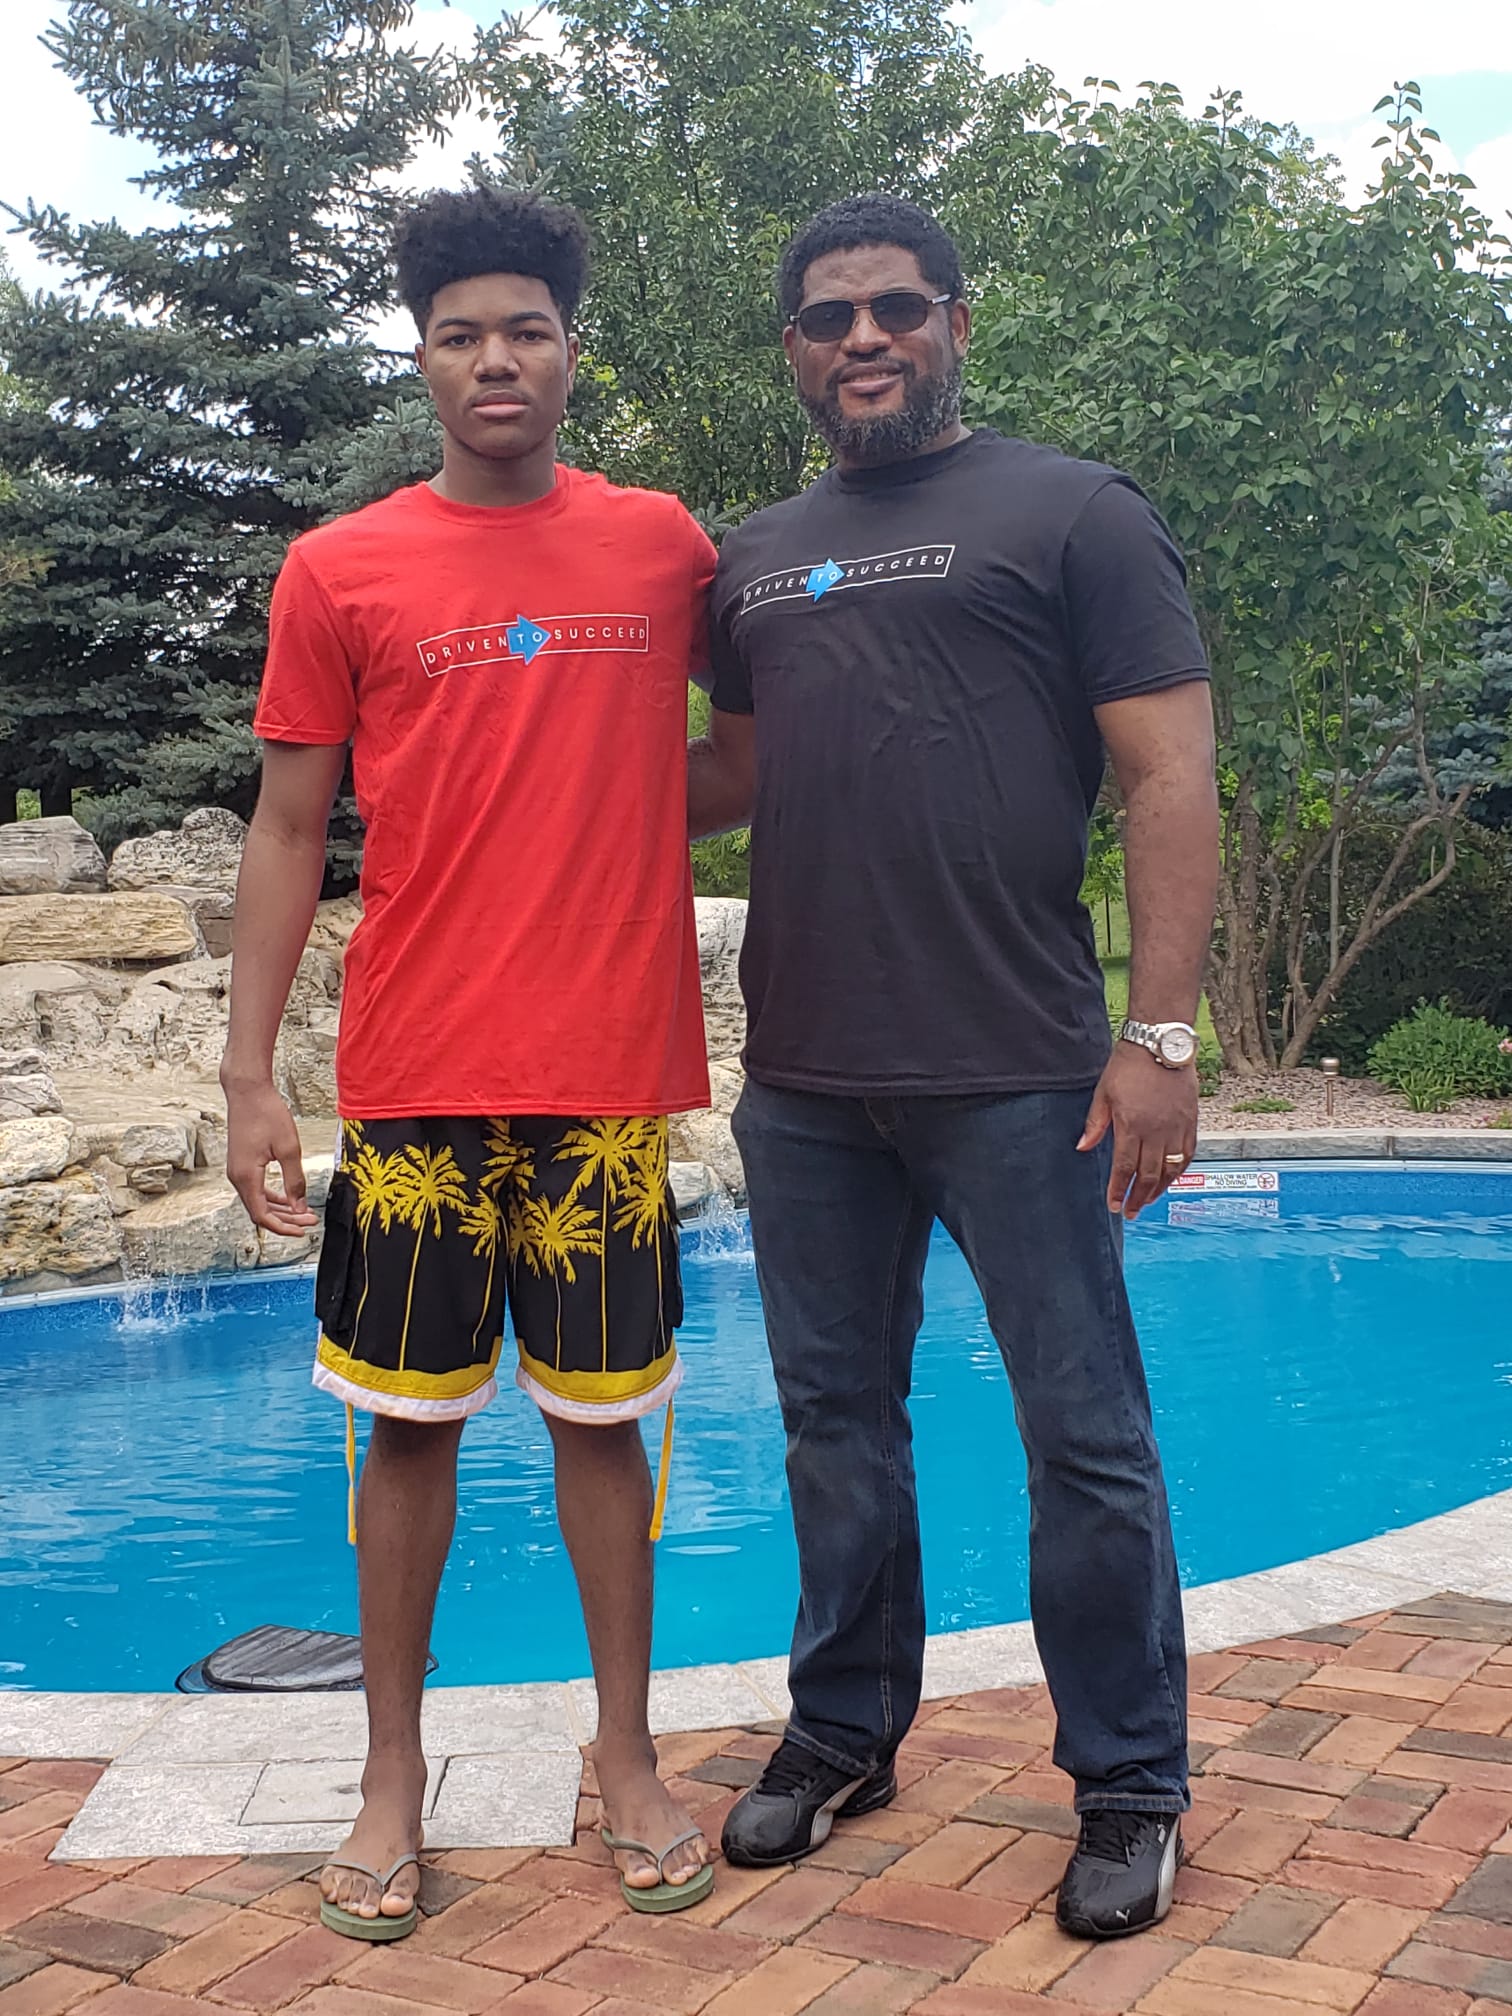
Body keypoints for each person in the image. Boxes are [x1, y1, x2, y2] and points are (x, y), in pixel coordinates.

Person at [688, 194, 1219, 1939]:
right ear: (794, 349)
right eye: (830, 315)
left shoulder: (1073, 510)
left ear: (954, 322)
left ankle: (1131, 1778)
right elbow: (729, 779)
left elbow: (1166, 778)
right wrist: (483, 750)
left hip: (1023, 1069)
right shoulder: (753, 553)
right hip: (811, 1084)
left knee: (1084, 1439)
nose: (864, 338)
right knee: (835, 1427)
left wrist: (1158, 1035)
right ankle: (844, 1732)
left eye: (896, 308)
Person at [223, 185, 718, 1939]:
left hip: (604, 1080)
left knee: (606, 1434)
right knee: (408, 1441)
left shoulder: (666, 544)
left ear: (572, 351)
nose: (494, 358)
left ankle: (633, 1758)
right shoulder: (340, 566)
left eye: (525, 328)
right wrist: (249, 1076)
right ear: (420, 357)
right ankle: (384, 1782)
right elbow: (290, 827)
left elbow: (752, 739)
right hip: (417, 1080)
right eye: (458, 333)